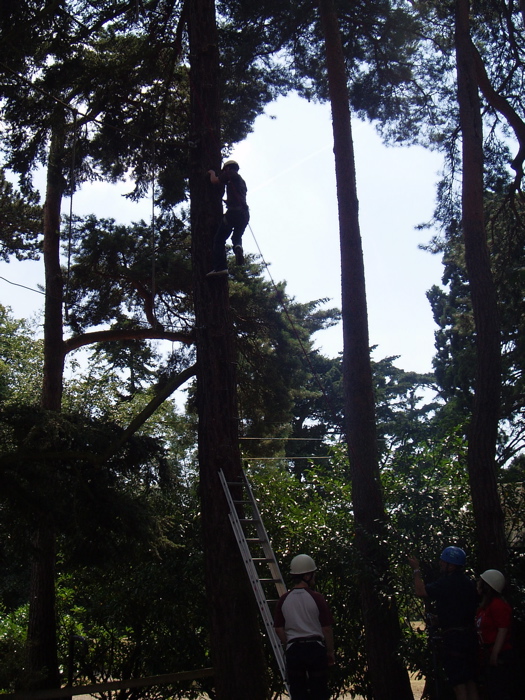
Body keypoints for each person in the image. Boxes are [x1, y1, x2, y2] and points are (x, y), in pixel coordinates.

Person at [408, 546, 480, 700]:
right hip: (470, 638)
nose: (440, 564)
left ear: (451, 565)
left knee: (458, 682)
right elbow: (460, 610)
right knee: (470, 682)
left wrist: (416, 570)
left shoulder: (447, 582)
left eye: (444, 561)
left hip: (454, 639)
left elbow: (421, 591)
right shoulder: (468, 583)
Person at [274, 554, 335, 700]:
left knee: (298, 692)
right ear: (307, 576)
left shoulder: (283, 600)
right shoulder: (317, 598)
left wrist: (288, 643)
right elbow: (326, 628)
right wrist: (330, 651)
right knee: (319, 691)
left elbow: (278, 628)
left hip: (294, 650)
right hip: (315, 649)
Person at [476, 569, 514, 700]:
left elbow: (502, 630)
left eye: (481, 583)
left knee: (499, 692)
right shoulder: (484, 607)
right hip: (488, 654)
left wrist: (495, 654)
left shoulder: (497, 605)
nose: (478, 585)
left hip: (499, 655)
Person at [206, 159, 249, 276]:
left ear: (228, 168)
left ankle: (220, 267)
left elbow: (214, 181)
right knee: (237, 236)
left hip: (233, 213)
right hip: (244, 214)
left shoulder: (230, 174)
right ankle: (238, 247)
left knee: (219, 239)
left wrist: (212, 173)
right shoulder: (241, 181)